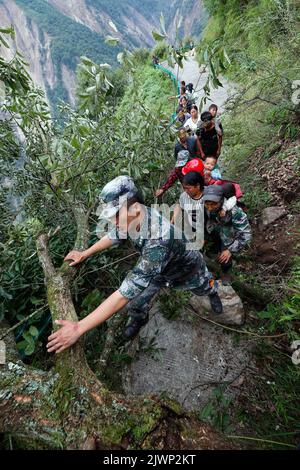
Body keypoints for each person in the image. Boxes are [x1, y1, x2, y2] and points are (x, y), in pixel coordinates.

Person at [46, 176, 223, 353]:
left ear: (136, 208)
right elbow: (116, 235)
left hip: (186, 269)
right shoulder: (133, 216)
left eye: (115, 215)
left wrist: (79, 328)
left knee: (203, 286)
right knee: (136, 302)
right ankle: (139, 318)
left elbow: (124, 292)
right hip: (158, 271)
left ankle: (213, 292)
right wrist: (85, 253)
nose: (113, 221)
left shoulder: (158, 238)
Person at [171, 172, 236, 251]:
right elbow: (179, 204)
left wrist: (225, 208)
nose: (186, 191)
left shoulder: (210, 195)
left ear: (198, 186)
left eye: (188, 188)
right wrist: (173, 219)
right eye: (184, 188)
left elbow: (227, 202)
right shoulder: (184, 196)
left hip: (213, 230)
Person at [203, 185, 251, 276]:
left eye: (213, 204)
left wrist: (230, 249)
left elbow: (246, 235)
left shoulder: (235, 212)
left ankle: (226, 273)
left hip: (229, 239)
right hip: (216, 232)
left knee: (225, 263)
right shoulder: (205, 207)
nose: (209, 207)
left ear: (221, 201)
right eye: (207, 204)